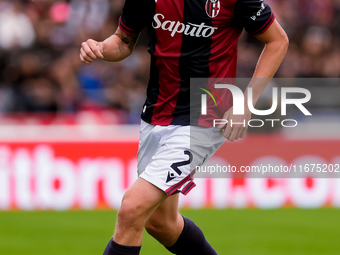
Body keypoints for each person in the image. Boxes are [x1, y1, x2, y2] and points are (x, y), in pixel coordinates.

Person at [80, 0, 288, 254]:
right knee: (161, 223)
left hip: (203, 118)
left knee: (132, 209)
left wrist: (247, 103)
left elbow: (278, 40)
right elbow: (123, 43)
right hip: (156, 114)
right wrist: (100, 47)